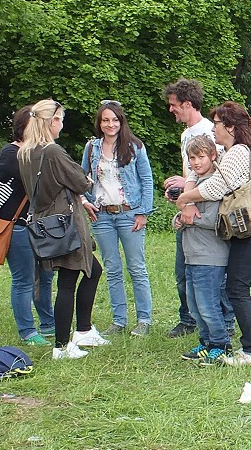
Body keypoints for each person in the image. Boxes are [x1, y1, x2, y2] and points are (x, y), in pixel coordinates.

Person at [176, 102, 251, 366]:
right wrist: (185, 187)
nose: (214, 129)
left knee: (236, 288)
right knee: (236, 287)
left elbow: (217, 187)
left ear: (230, 127)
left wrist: (185, 197)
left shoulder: (239, 151)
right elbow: (200, 173)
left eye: (217, 124)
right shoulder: (232, 152)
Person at [18, 99, 110, 360]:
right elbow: (82, 182)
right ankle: (62, 345)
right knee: (69, 281)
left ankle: (82, 330)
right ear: (51, 121)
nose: (62, 124)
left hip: (46, 223)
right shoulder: (53, 152)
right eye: (59, 119)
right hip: (65, 225)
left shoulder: (25, 152)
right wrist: (85, 180)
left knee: (93, 270)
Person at [81, 100, 154, 337]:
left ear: (121, 121)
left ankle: (144, 319)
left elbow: (147, 181)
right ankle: (119, 320)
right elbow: (81, 179)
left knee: (137, 268)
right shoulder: (92, 148)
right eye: (105, 120)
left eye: (114, 119)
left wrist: (143, 212)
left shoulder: (135, 147)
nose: (110, 124)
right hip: (102, 216)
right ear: (99, 123)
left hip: (129, 213)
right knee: (112, 268)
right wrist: (85, 201)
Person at [0, 106, 55, 346]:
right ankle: (28, 331)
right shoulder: (11, 153)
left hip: (42, 226)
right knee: (24, 279)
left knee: (46, 276)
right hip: (17, 226)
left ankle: (48, 324)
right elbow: (40, 181)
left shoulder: (41, 152)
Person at [163, 78, 216, 339]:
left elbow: (217, 175)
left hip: (205, 212)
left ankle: (214, 322)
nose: (171, 109)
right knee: (182, 270)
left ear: (187, 104)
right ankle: (188, 319)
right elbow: (191, 173)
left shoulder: (209, 132)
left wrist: (188, 187)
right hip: (187, 207)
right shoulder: (186, 134)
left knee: (202, 271)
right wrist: (180, 190)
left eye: (174, 105)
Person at [176, 136, 232, 367]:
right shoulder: (194, 184)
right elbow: (183, 215)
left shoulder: (214, 184)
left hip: (211, 255)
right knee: (195, 305)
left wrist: (188, 218)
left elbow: (213, 219)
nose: (196, 162)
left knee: (208, 305)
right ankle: (206, 341)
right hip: (191, 254)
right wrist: (180, 218)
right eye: (192, 158)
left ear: (212, 156)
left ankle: (221, 345)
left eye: (201, 157)